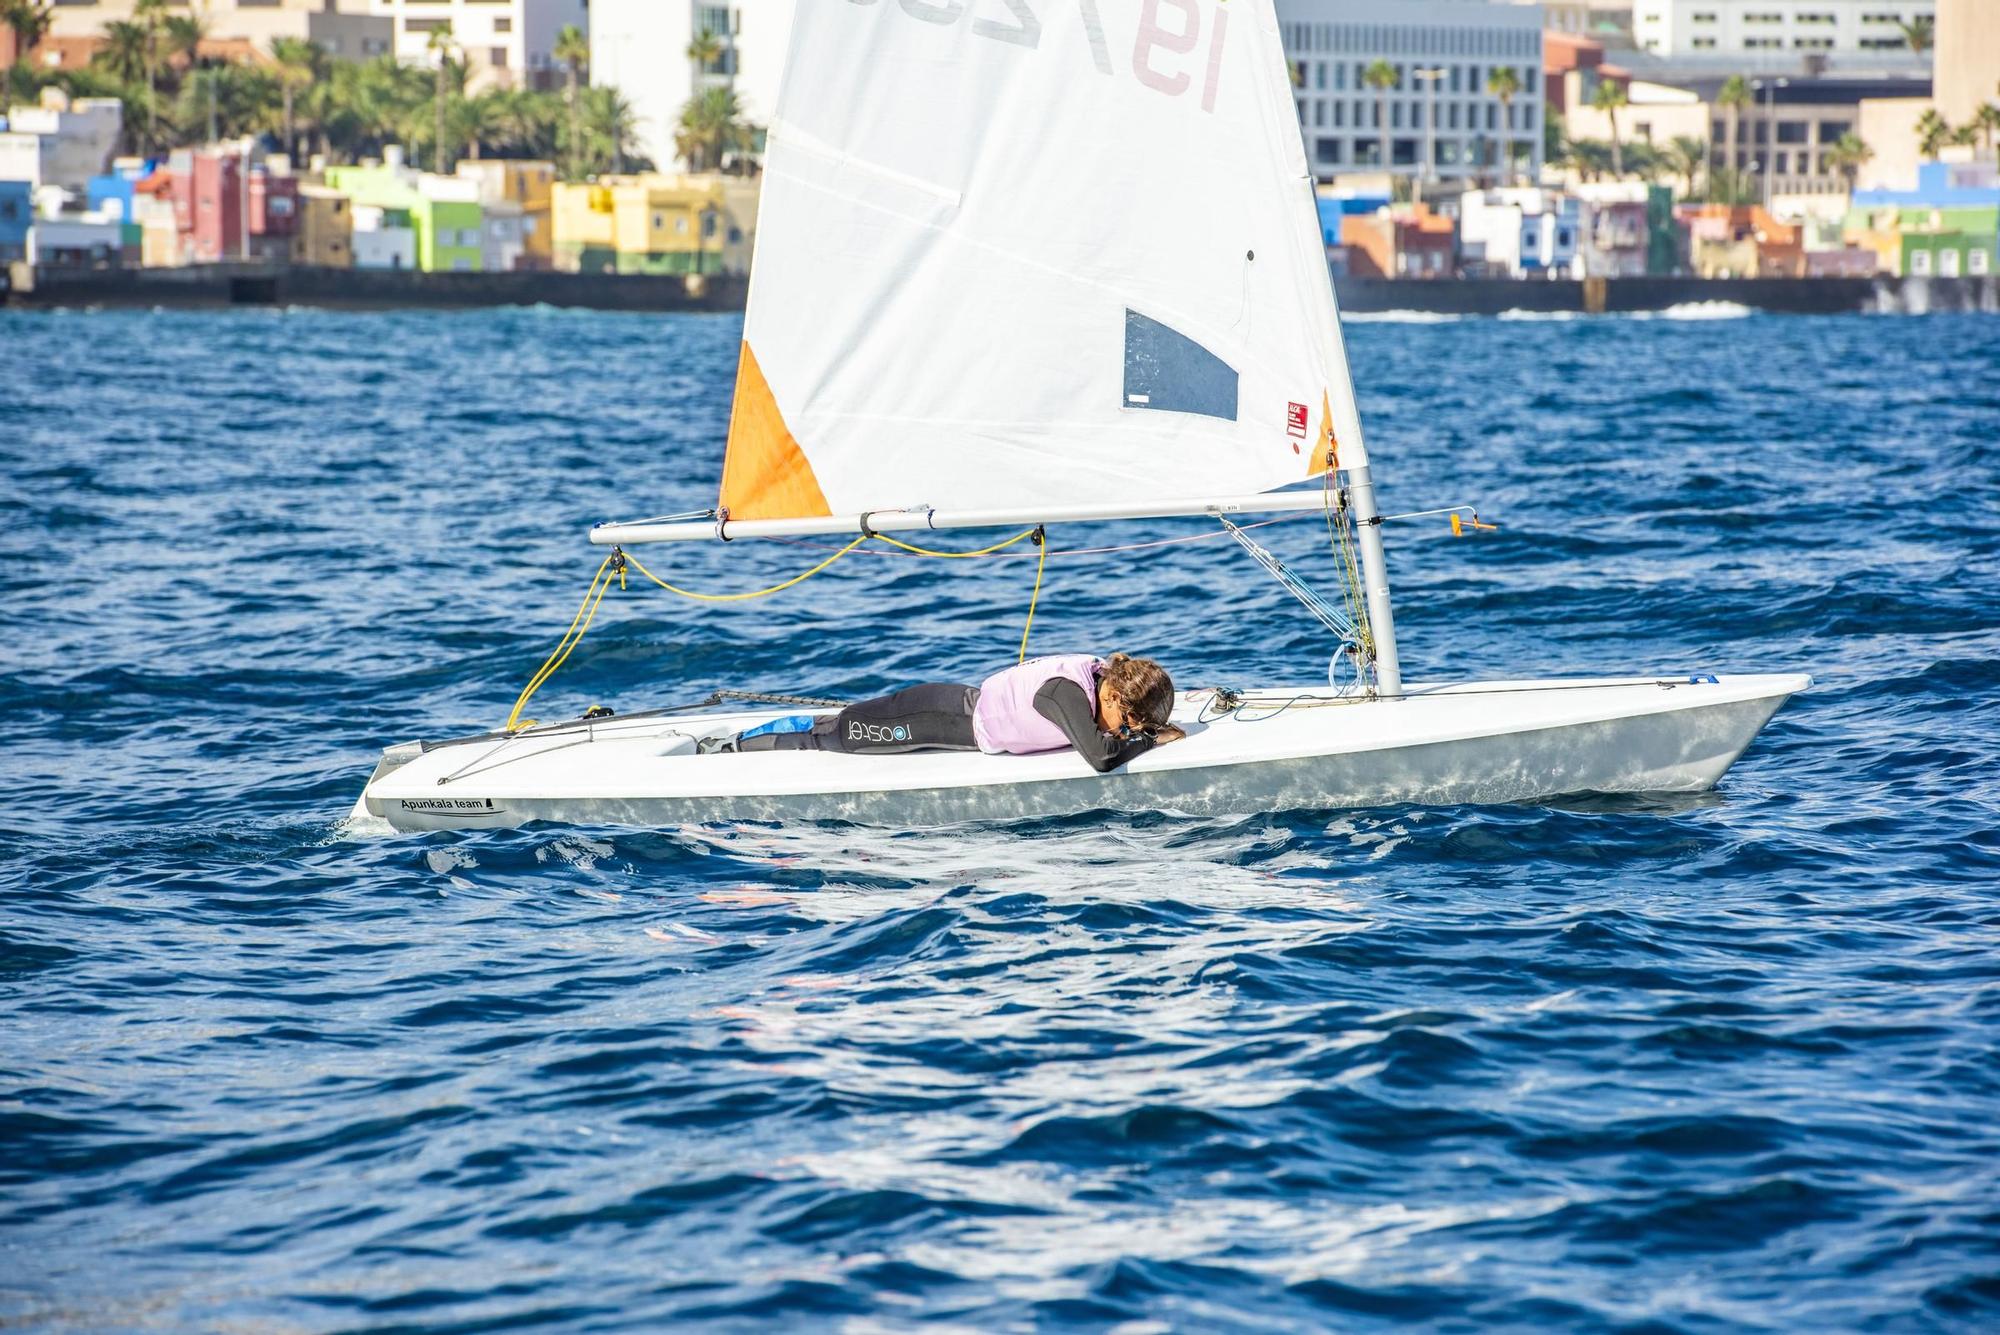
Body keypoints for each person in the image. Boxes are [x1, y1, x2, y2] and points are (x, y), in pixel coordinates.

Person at [728, 653, 1186, 773]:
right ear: (1110, 697)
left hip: (956, 708)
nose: (1128, 732)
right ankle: (733, 746)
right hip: (933, 716)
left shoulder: (1099, 682)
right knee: (833, 737)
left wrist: (1144, 730)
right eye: (1129, 723)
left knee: (834, 730)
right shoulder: (1068, 692)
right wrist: (1148, 741)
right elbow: (1102, 758)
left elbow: (1110, 740)